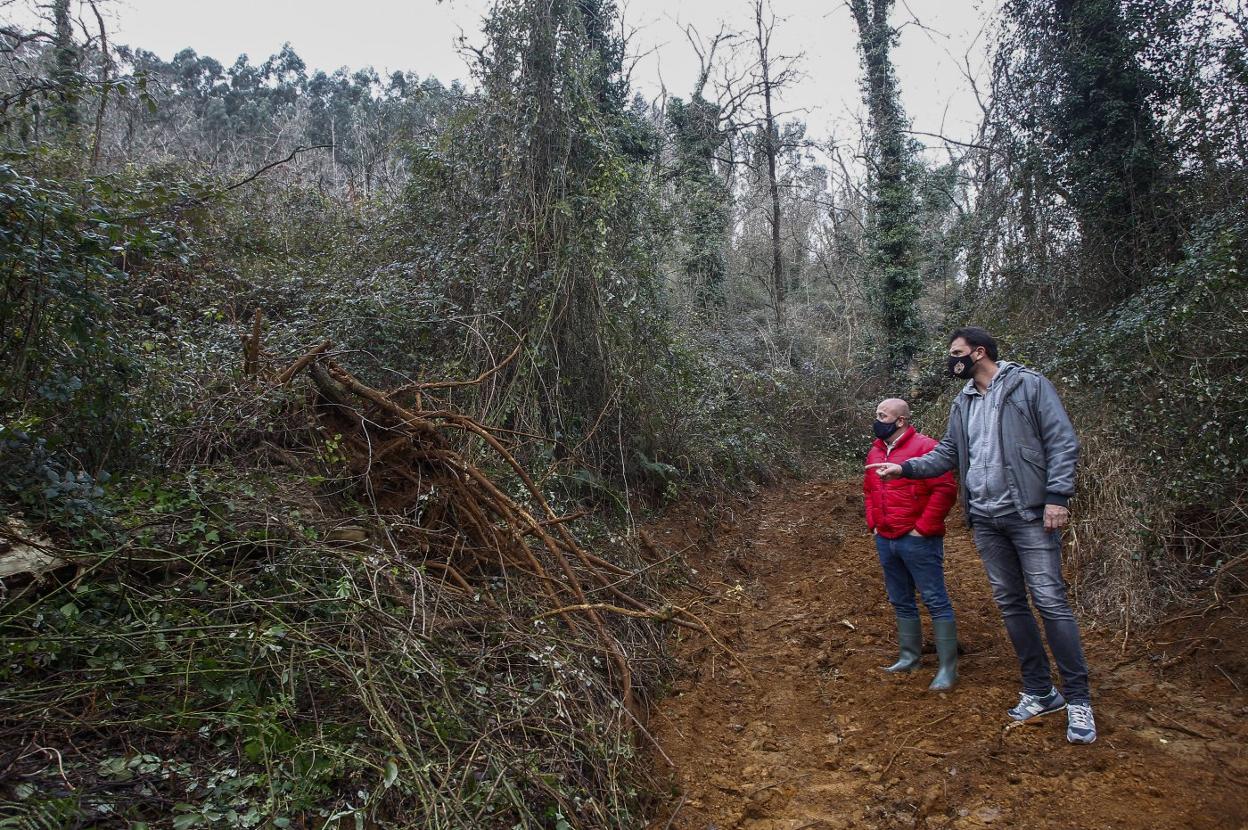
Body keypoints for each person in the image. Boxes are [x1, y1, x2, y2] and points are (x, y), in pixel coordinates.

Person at [866, 327, 1096, 744]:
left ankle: (1079, 699)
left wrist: (1057, 496)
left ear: (979, 352)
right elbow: (948, 453)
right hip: (986, 517)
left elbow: (1061, 441)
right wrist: (906, 468)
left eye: (956, 353)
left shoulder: (1029, 386)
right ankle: (1040, 690)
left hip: (1028, 512)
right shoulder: (963, 401)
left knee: (1049, 600)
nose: (952, 360)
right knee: (1010, 603)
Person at [863, 398, 959, 691]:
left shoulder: (925, 447)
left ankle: (947, 668)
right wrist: (874, 524)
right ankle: (909, 658)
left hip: (917, 538)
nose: (877, 419)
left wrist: (923, 529)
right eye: (877, 414)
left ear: (901, 420)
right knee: (900, 598)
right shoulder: (876, 450)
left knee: (934, 599)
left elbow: (945, 489)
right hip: (886, 536)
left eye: (883, 415)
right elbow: (869, 490)